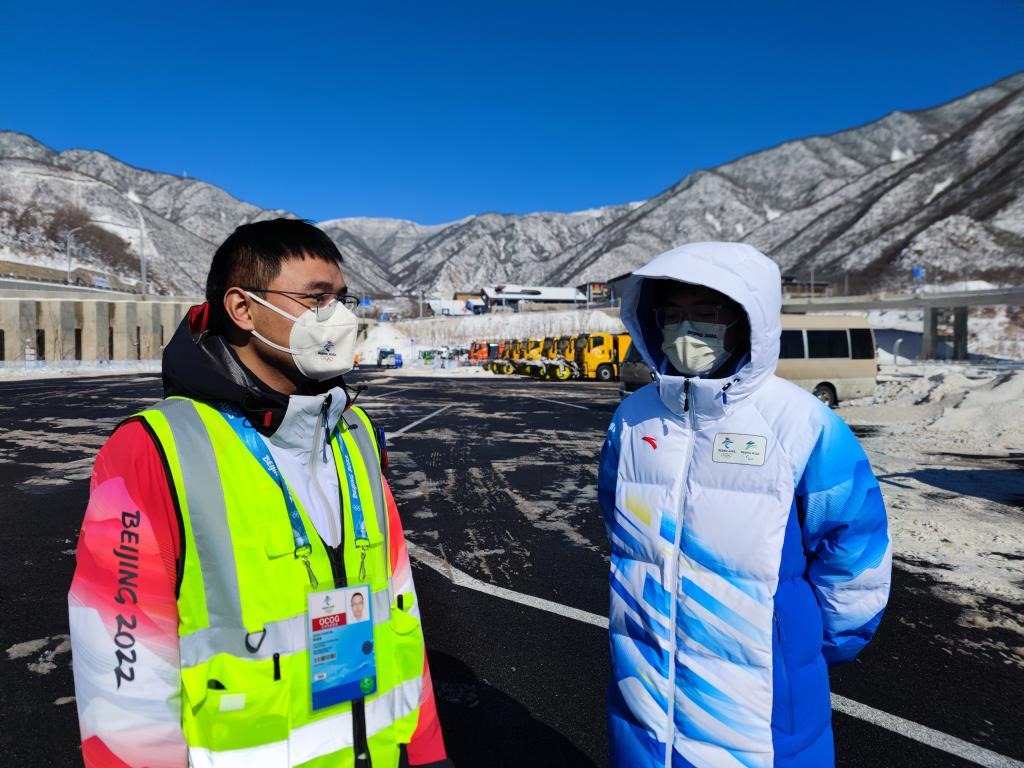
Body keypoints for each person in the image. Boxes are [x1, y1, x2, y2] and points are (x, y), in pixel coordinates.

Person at [69, 219, 450, 768]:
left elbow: (399, 605)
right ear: (243, 309)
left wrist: (426, 746)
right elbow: (122, 669)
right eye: (316, 299)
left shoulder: (355, 432)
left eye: (341, 299)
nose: (338, 317)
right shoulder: (155, 448)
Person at [598, 242, 891, 767]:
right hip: (643, 690)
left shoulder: (802, 425)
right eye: (673, 314)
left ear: (747, 320)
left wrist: (803, 643)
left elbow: (855, 555)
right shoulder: (633, 419)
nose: (686, 329)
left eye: (706, 313)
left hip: (759, 711)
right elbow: (617, 520)